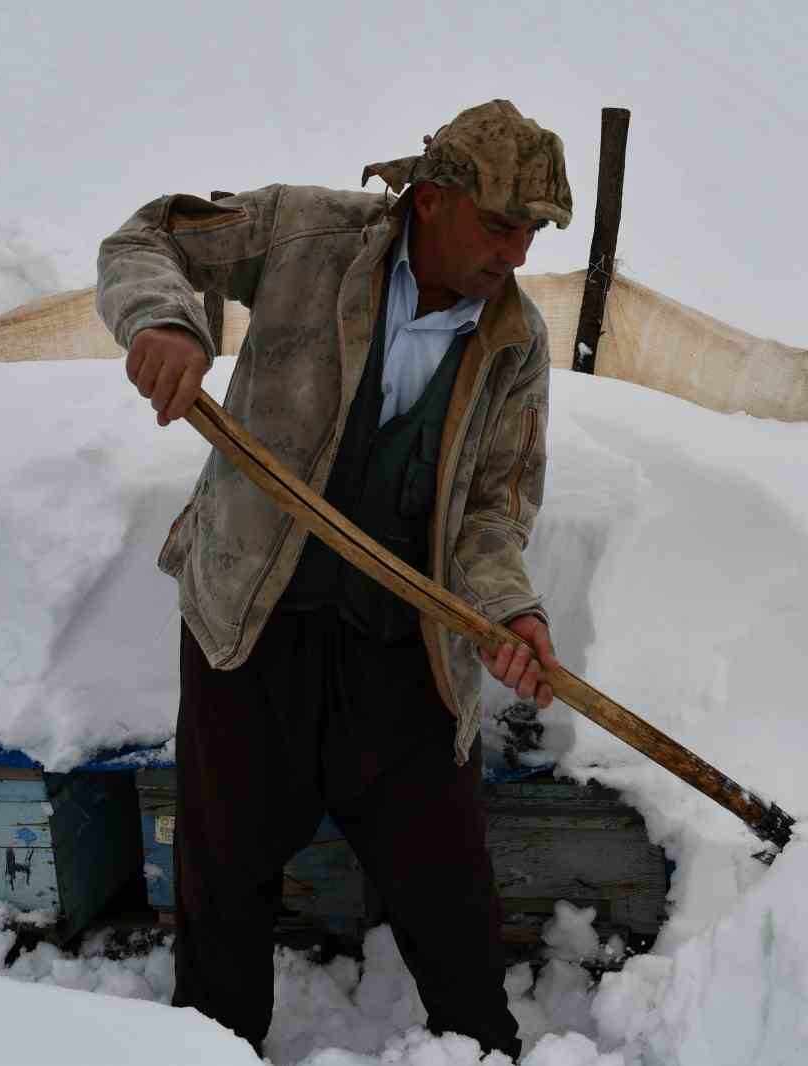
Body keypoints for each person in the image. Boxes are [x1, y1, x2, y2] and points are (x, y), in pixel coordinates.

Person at [94, 99, 571, 1059]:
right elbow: (149, 238)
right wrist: (168, 323)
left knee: (450, 892)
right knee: (222, 883)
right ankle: (213, 1048)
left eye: (534, 231)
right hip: (248, 629)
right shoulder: (308, 238)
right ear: (432, 200)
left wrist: (506, 610)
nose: (517, 254)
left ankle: (479, 1049)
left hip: (404, 652)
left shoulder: (514, 346)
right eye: (500, 225)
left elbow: (492, 510)